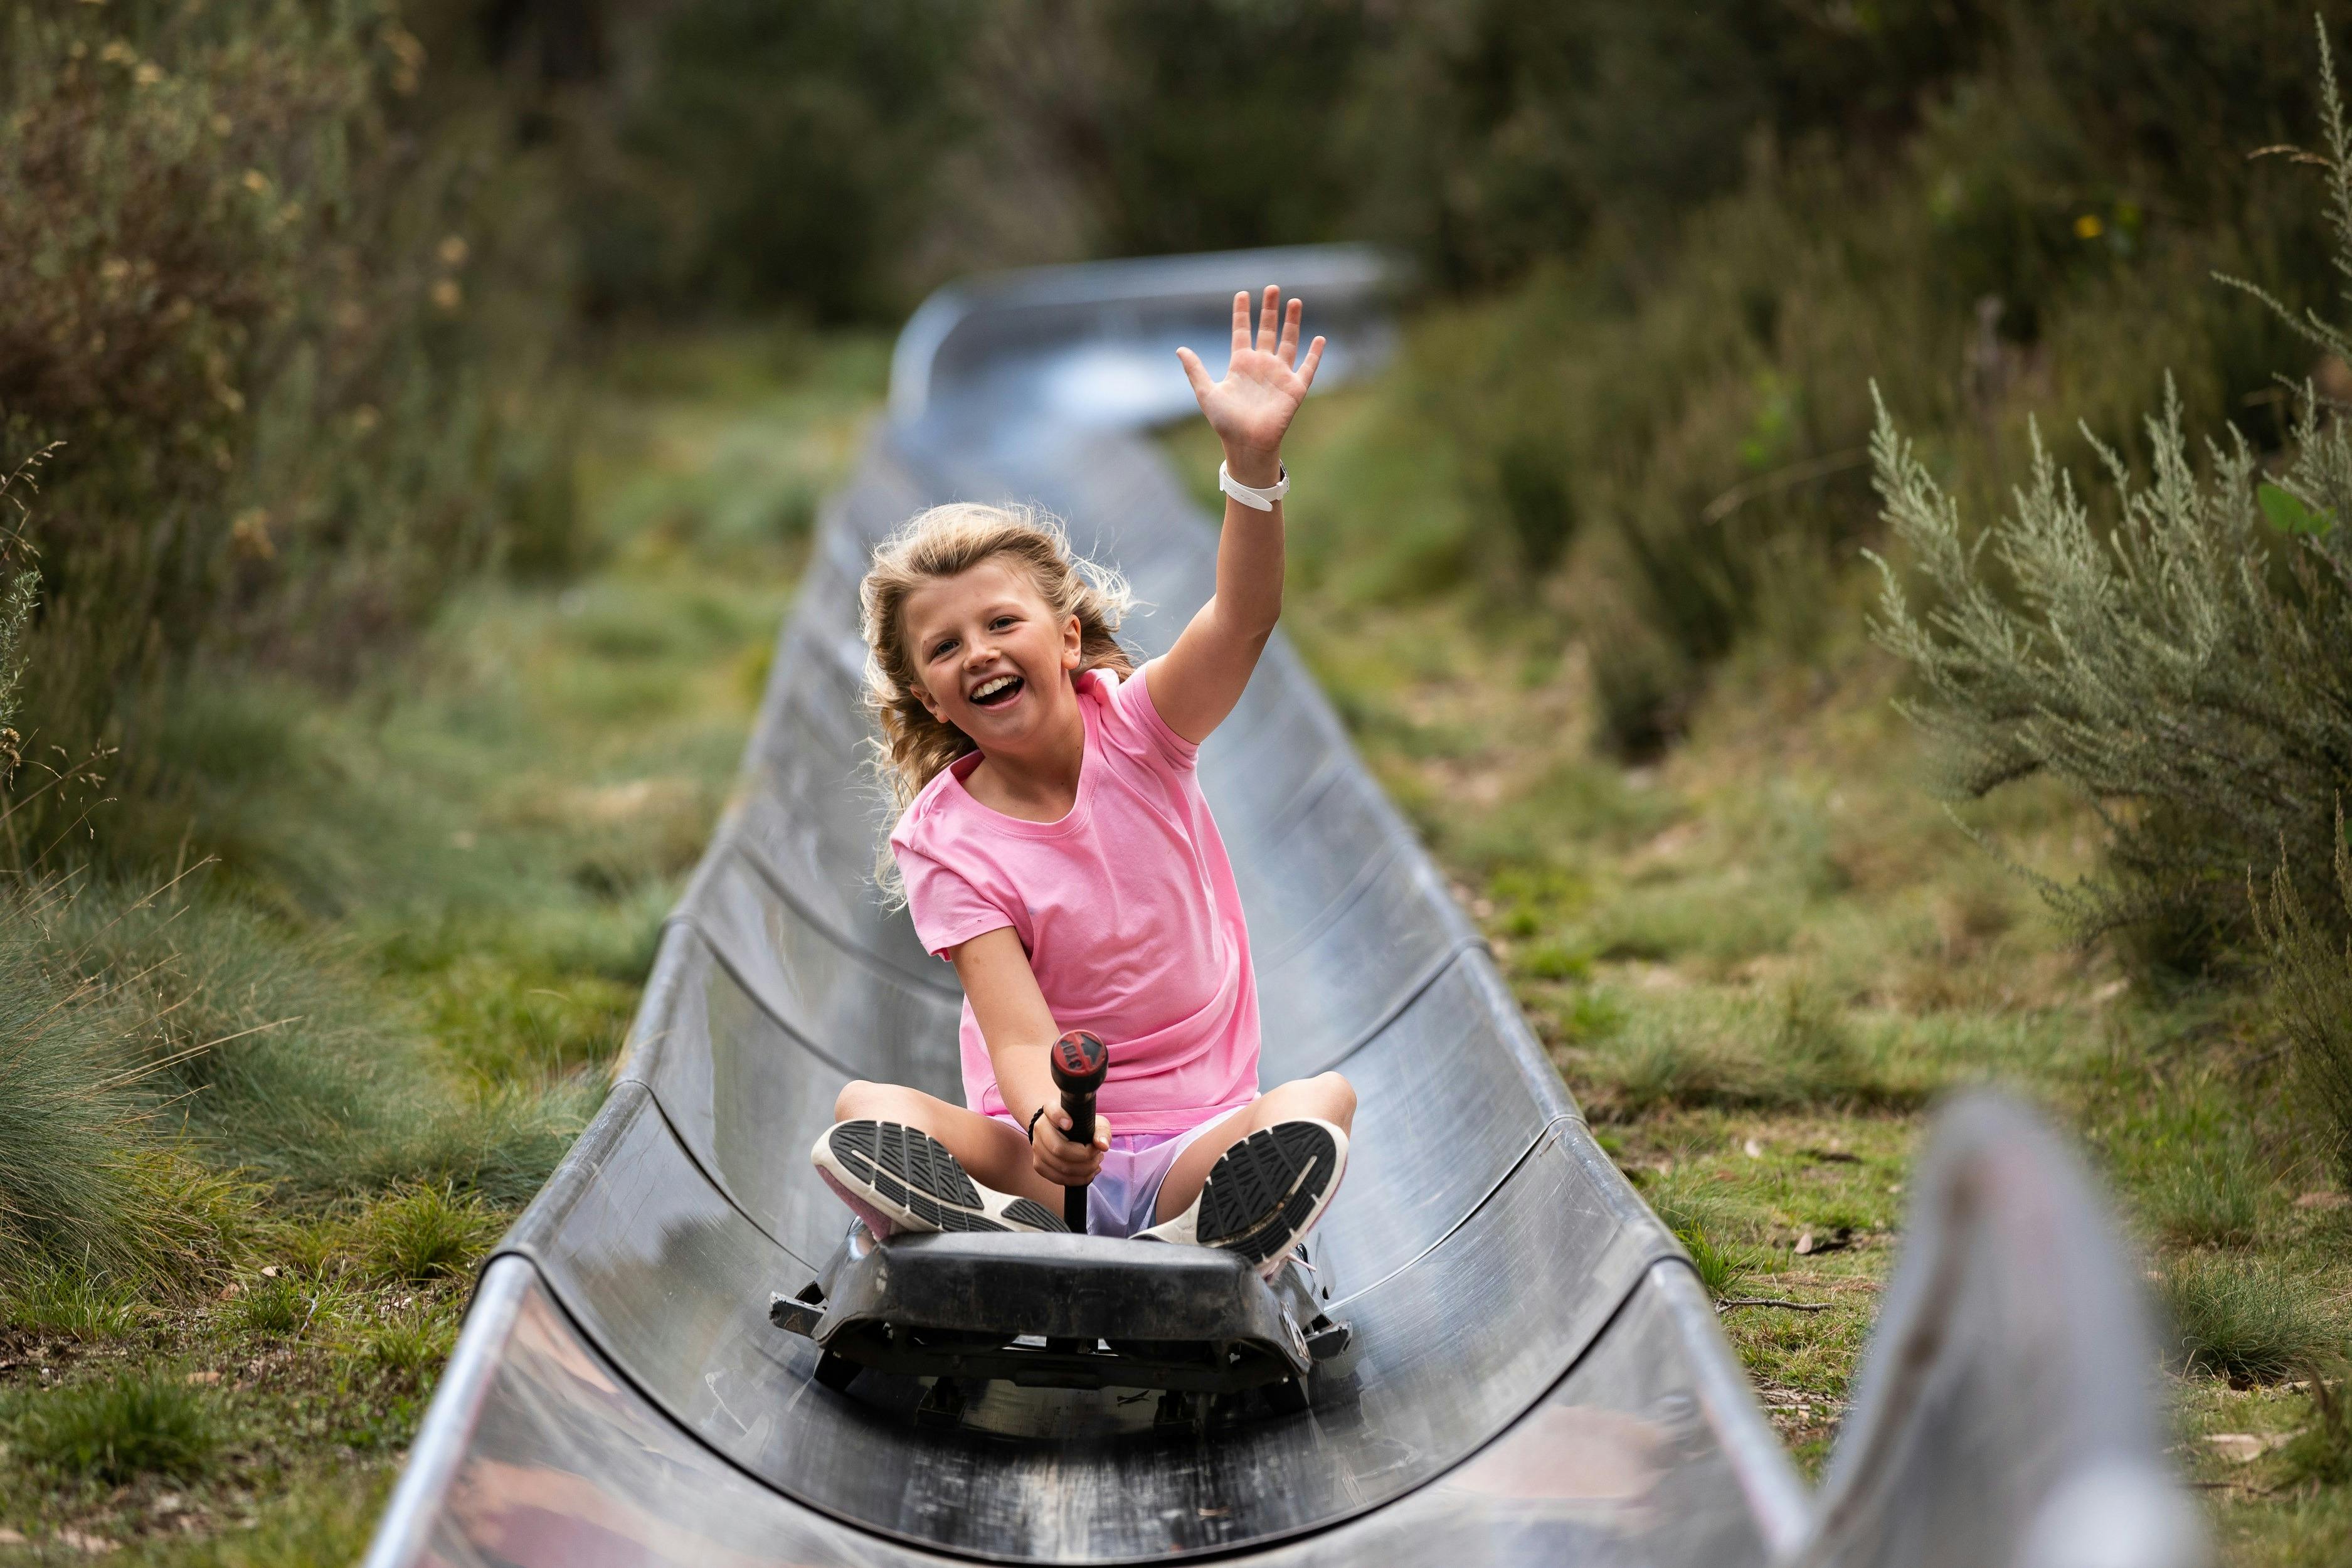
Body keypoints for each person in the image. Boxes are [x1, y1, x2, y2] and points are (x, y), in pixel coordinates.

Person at [813, 286, 1355, 1278]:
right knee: (865, 1110)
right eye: (943, 647)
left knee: (1322, 1104)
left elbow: (1240, 620)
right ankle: (998, 1219)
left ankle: (1194, 1231)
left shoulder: (1143, 732)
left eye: (1000, 624)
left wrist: (1251, 467)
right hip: (1040, 1155)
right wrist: (1048, 1122)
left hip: (1195, 1141)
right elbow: (1018, 1034)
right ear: (930, 698)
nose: (977, 652)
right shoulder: (947, 842)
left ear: (1066, 639)